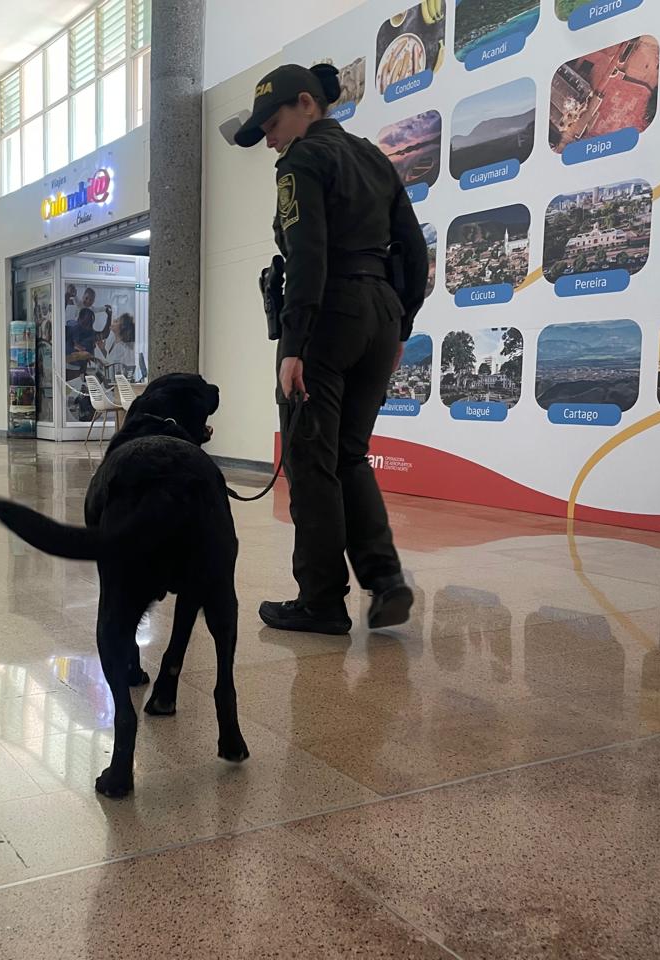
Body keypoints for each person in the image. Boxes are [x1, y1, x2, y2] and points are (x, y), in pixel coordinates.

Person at [233, 62, 428, 635]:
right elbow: (414, 251)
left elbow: (308, 253)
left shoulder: (302, 161)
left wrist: (294, 345)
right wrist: (401, 326)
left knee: (312, 463)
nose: (270, 141)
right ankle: (386, 581)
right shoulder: (374, 158)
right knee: (348, 455)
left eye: (272, 124)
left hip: (328, 319)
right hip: (380, 315)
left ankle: (320, 601)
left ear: (307, 104)